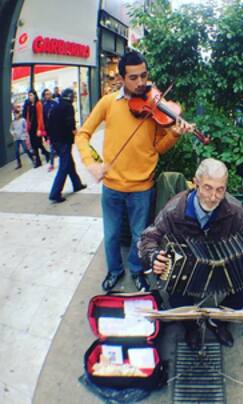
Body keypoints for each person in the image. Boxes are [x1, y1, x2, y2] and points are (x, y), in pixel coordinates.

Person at [75, 51, 191, 292]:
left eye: (144, 76)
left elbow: (158, 148)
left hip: (142, 188)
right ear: (121, 79)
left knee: (140, 236)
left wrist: (173, 135)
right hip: (112, 187)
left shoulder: (155, 106)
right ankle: (114, 271)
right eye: (133, 78)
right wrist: (92, 162)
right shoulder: (108, 103)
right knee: (111, 236)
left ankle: (137, 271)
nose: (141, 83)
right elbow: (83, 134)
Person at [139, 158, 243, 349]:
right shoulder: (175, 209)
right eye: (208, 188)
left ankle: (218, 320)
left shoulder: (233, 209)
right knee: (176, 295)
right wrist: (153, 256)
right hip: (187, 268)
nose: (213, 196)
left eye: (220, 189)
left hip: (223, 268)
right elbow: (149, 236)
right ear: (196, 183)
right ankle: (191, 326)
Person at [48, 88, 86, 203]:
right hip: (64, 140)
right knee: (64, 166)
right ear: (69, 96)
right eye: (73, 96)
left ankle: (77, 184)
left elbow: (49, 123)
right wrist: (74, 131)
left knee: (69, 163)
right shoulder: (68, 107)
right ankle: (55, 193)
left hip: (55, 141)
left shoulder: (56, 106)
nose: (74, 98)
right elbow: (70, 123)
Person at [25, 89, 50, 167]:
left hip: (37, 127)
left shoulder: (38, 104)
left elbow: (40, 117)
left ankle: (46, 153)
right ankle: (38, 161)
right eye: (29, 95)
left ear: (35, 95)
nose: (30, 97)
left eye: (31, 95)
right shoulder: (29, 105)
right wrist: (27, 126)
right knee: (33, 144)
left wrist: (39, 128)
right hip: (31, 128)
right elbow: (27, 116)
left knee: (38, 143)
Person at [42, 88, 58, 172]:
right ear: (44, 96)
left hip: (57, 128)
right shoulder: (44, 106)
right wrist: (45, 134)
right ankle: (51, 164)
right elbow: (43, 119)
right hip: (50, 130)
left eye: (49, 93)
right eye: (46, 94)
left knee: (59, 145)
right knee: (52, 147)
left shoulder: (55, 103)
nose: (48, 95)